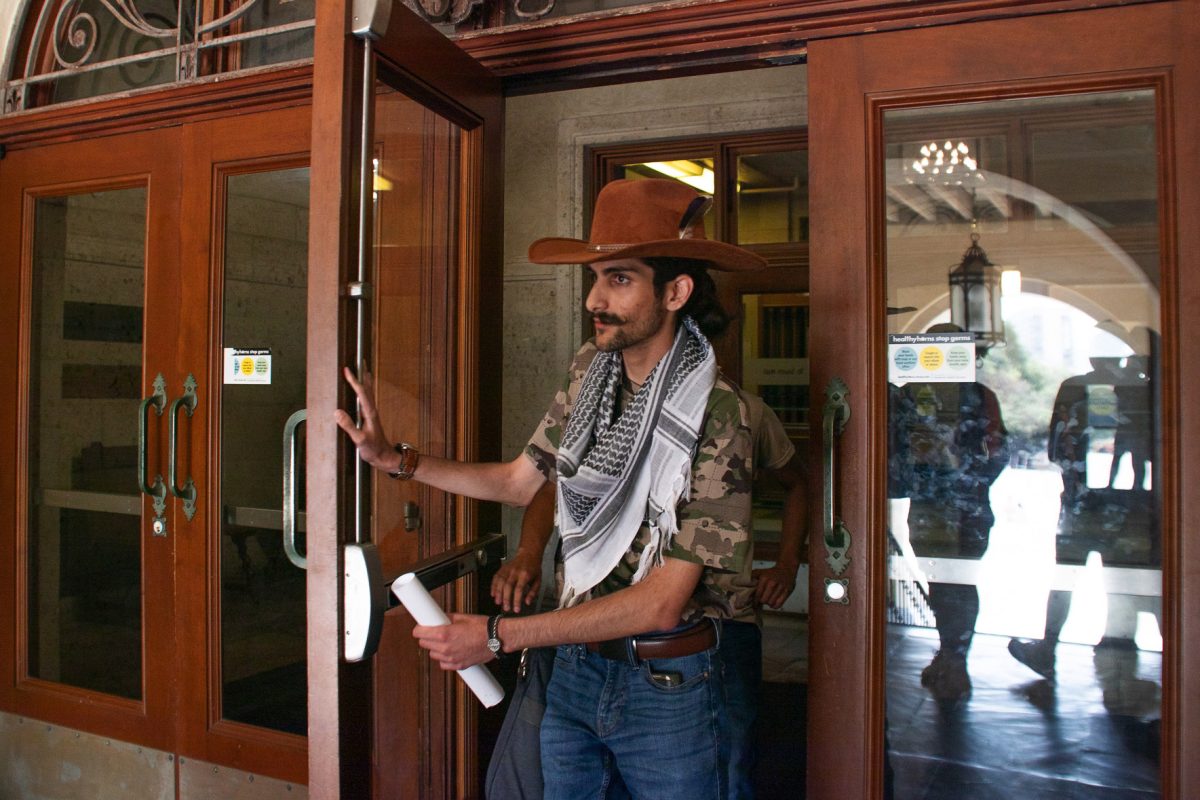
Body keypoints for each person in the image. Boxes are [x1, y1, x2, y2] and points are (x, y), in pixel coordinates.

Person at [337, 178, 768, 799]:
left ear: (675, 292)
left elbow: (661, 602)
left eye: (619, 279)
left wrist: (494, 635)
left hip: (671, 681)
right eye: (593, 278)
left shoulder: (721, 414)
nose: (594, 298)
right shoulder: (589, 372)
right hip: (576, 666)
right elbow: (520, 482)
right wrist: (397, 460)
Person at [491, 391, 807, 800]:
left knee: (729, 770)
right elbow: (548, 484)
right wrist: (528, 553)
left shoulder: (736, 410)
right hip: (597, 640)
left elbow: (796, 483)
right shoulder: (603, 400)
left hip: (720, 623)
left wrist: (786, 565)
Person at [890, 323, 1008, 703]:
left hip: (962, 508)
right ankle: (950, 654)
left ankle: (956, 660)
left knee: (958, 581)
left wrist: (971, 484)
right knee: (942, 582)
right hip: (933, 506)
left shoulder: (977, 396)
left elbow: (999, 450)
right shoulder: (909, 395)